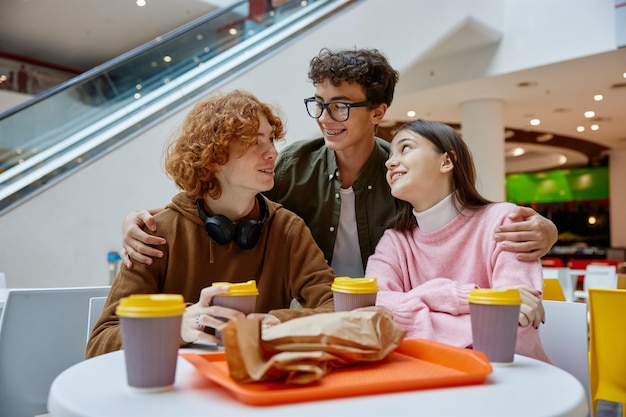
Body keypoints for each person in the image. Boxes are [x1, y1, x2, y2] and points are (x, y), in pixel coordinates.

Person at [119, 48, 557, 279]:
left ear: (379, 112)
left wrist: (546, 229)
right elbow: (218, 196)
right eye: (321, 103)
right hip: (309, 306)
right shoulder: (292, 164)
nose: (327, 119)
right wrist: (143, 219)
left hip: (389, 306)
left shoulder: (401, 171)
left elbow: (464, 216)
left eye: (342, 106)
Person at [86, 90, 335, 358]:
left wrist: (272, 323)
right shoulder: (156, 235)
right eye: (255, 142)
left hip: (254, 385)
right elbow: (101, 343)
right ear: (215, 155)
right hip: (175, 391)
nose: (273, 152)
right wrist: (174, 326)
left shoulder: (287, 228)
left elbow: (335, 308)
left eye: (272, 140)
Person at [366, 119, 549, 361]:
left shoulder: (504, 221)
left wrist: (410, 316)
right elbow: (372, 311)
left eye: (406, 148)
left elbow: (515, 330)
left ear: (446, 161)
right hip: (427, 382)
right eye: (390, 154)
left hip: (507, 383)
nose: (389, 162)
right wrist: (466, 298)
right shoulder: (394, 241)